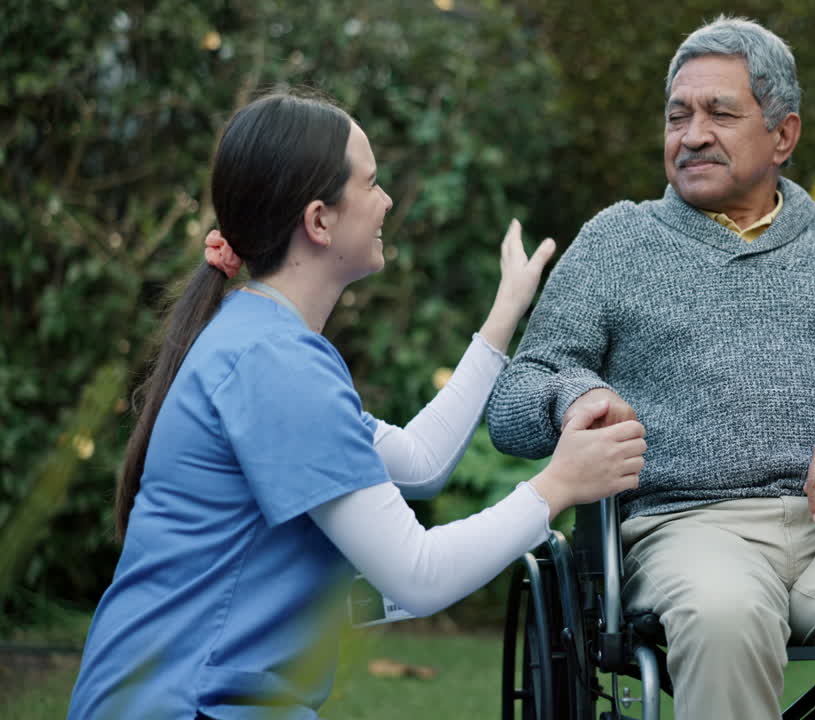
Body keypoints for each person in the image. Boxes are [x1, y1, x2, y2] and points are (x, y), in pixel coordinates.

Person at [66, 90, 646, 719]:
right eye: (371, 183)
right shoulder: (276, 367)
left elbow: (421, 463)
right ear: (319, 221)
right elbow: (416, 575)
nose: (387, 201)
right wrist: (557, 486)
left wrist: (506, 309)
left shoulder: (259, 338)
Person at [486, 16, 815, 720]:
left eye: (719, 114)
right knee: (727, 616)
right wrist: (579, 394)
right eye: (678, 115)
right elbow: (517, 394)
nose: (692, 134)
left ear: (783, 135)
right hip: (686, 529)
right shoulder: (617, 240)